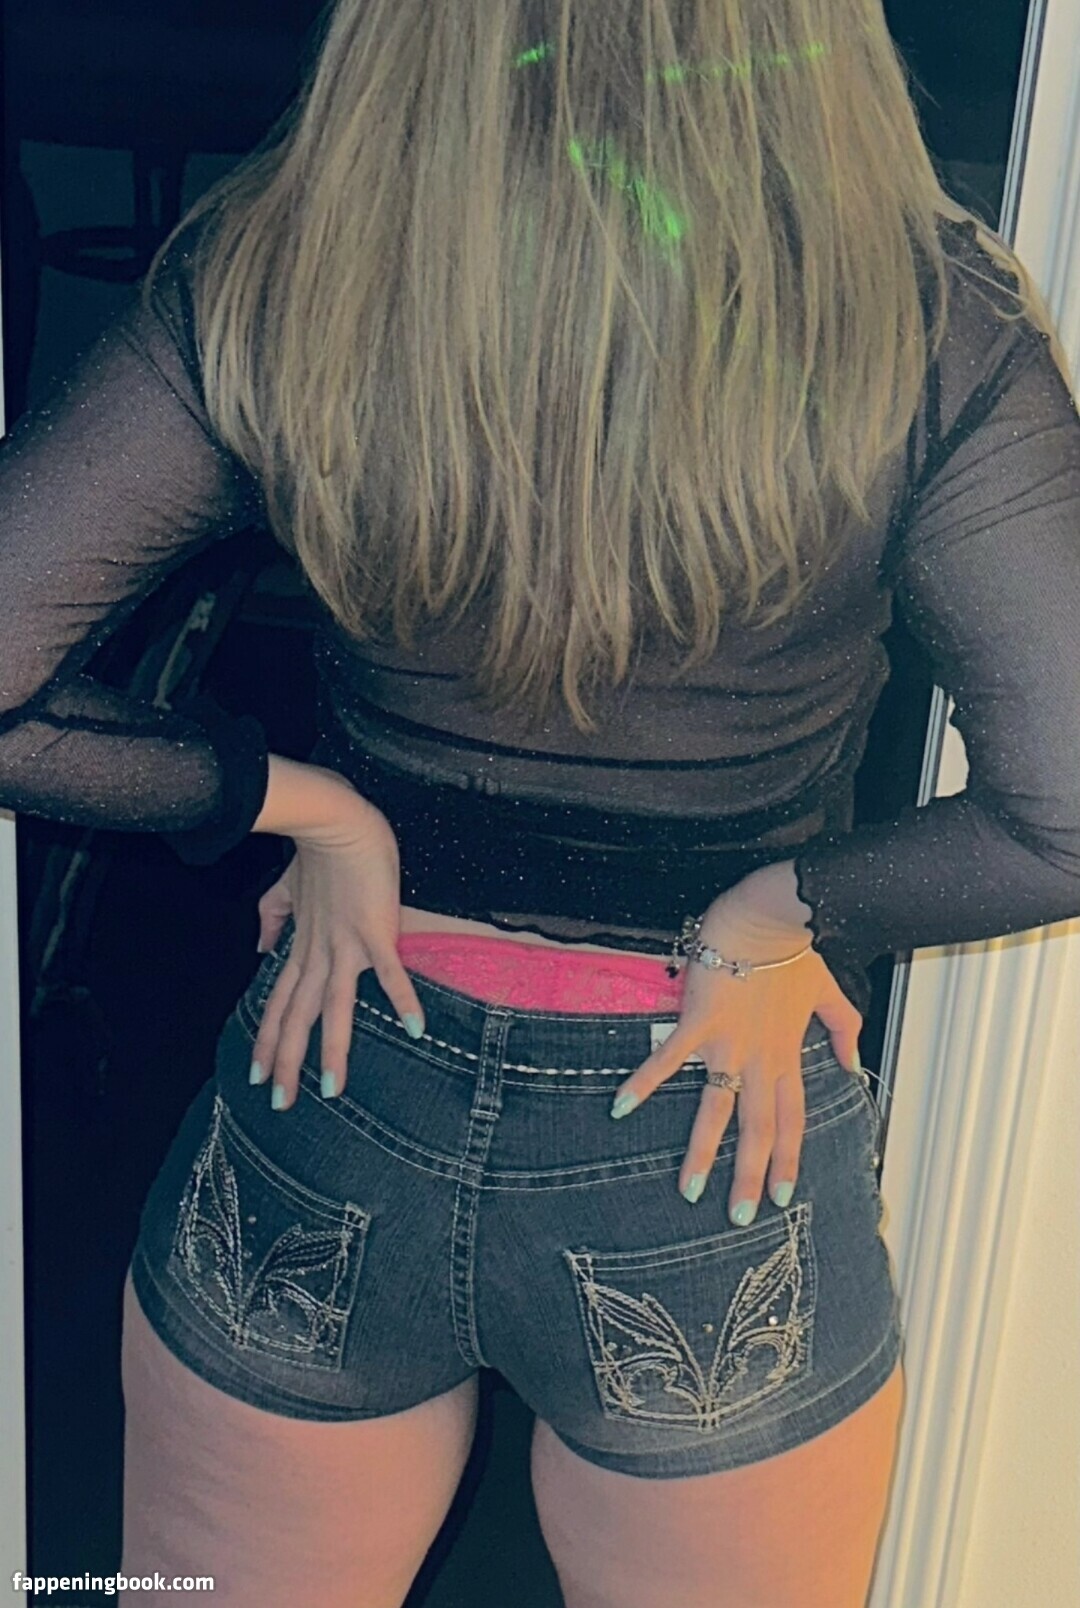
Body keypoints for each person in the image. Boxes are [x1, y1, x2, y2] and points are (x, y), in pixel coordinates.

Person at [2, 2, 1078, 1604]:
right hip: (710, 1133)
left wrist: (303, 805)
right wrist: (780, 910)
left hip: (340, 1071)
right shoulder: (923, 314)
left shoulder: (282, 262)